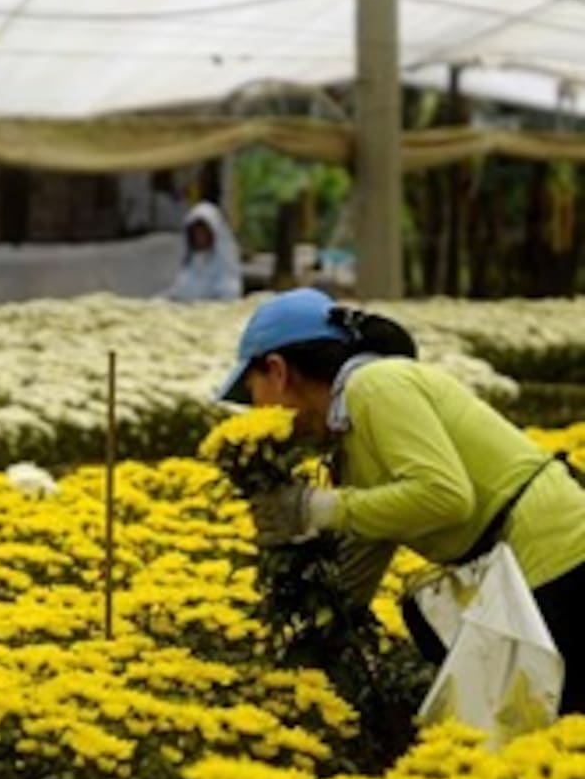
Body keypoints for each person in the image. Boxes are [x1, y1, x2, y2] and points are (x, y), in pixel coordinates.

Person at [215, 287, 585, 713]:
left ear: (278, 371)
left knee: (547, 739)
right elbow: (363, 555)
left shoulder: (375, 386)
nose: (255, 413)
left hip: (559, 562)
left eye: (252, 392)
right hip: (530, 572)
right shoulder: (348, 437)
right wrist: (299, 639)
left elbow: (446, 497)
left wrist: (315, 508)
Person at [163, 202, 243, 302]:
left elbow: (228, 296)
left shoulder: (224, 263)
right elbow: (178, 290)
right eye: (196, 232)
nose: (199, 237)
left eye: (203, 232)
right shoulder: (190, 260)